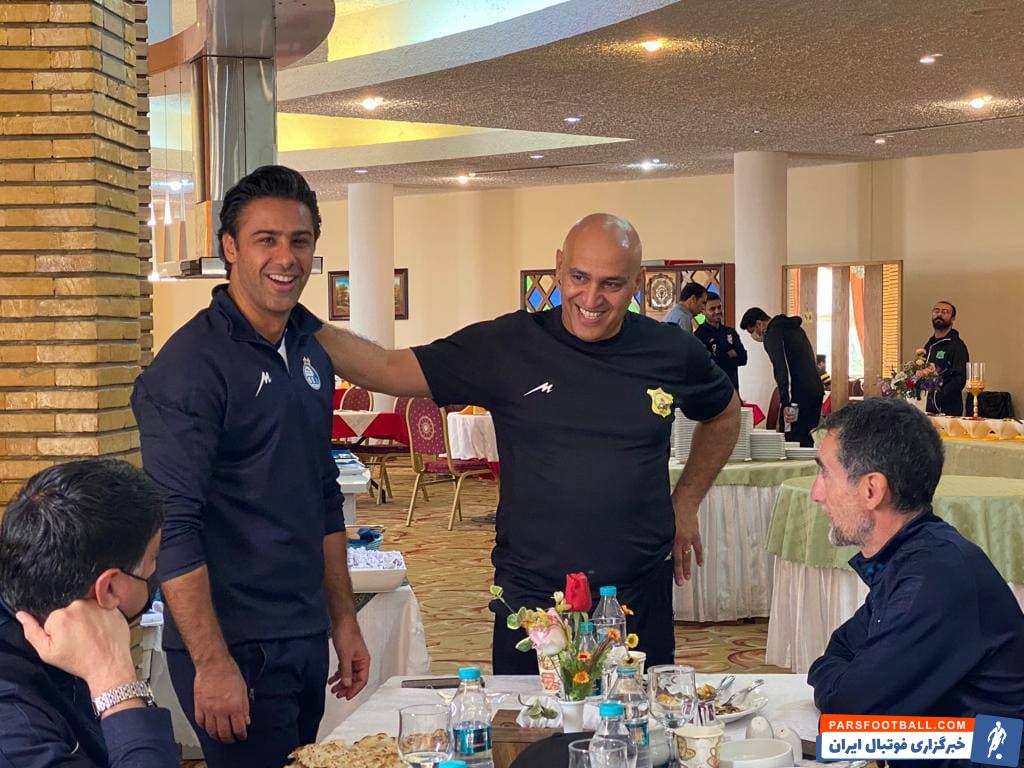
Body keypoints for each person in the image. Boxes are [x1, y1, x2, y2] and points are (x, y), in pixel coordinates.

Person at [316, 213, 740, 673]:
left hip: (637, 589)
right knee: (531, 718)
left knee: (638, 717)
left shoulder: (669, 350)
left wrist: (687, 500)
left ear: (636, 283)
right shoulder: (508, 345)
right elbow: (385, 368)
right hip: (534, 594)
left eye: (612, 284)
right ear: (558, 267)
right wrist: (296, 318)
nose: (591, 298)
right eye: (579, 277)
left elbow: (724, 413)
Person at [131, 166, 370, 768]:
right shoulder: (190, 367)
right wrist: (211, 662)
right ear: (230, 248)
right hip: (234, 643)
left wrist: (343, 620)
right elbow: (174, 526)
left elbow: (323, 494)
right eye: (266, 239)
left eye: (299, 241)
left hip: (302, 631)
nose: (285, 258)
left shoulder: (310, 349)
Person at [807, 400, 1024, 736]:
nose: (816, 493)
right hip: (956, 741)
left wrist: (837, 682)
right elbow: (841, 649)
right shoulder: (913, 555)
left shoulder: (934, 577)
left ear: (872, 489)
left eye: (825, 473)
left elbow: (849, 709)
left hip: (996, 750)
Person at [0, 459, 178, 767]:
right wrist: (116, 685)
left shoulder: (40, 608)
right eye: (153, 560)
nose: (157, 572)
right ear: (109, 588)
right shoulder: (16, 732)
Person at [739, 307, 825, 447]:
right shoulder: (795, 328)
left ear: (759, 324)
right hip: (815, 391)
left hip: (798, 396)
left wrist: (786, 403)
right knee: (807, 441)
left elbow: (782, 369)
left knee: (791, 441)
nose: (754, 336)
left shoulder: (772, 335)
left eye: (752, 331)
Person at [694, 291, 747, 393]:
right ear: (703, 311)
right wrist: (729, 355)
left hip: (732, 388)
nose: (717, 311)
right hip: (712, 390)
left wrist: (719, 359)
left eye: (719, 307)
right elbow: (706, 364)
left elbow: (743, 358)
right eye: (712, 309)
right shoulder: (699, 335)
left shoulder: (730, 332)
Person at [924, 300, 969, 416]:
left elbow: (959, 379)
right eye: (936, 311)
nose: (939, 314)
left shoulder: (957, 346)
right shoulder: (929, 345)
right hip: (926, 408)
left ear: (952, 319)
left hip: (948, 410)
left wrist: (938, 396)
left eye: (945, 312)